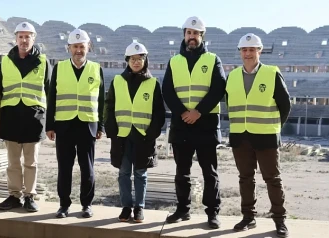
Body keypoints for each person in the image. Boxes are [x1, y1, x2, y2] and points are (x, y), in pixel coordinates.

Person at [162, 16, 226, 228]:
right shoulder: (174, 61)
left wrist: (198, 112)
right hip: (182, 125)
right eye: (189, 33)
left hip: (206, 123)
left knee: (210, 172)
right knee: (182, 172)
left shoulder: (213, 60)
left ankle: (212, 212)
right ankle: (183, 210)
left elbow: (218, 89)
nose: (192, 37)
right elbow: (168, 91)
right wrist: (183, 112)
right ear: (184, 35)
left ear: (202, 36)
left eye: (196, 33)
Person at [226, 33, 291, 237]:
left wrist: (274, 127)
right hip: (240, 137)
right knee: (245, 178)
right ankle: (248, 218)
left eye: (252, 49)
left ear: (259, 51)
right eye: (244, 50)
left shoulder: (272, 73)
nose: (248, 53)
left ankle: (279, 220)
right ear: (240, 52)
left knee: (272, 179)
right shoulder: (233, 76)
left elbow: (285, 104)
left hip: (266, 137)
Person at [46, 28, 105, 219]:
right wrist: (50, 125)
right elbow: (51, 97)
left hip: (88, 125)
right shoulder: (59, 68)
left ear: (88, 47)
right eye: (75, 46)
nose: (78, 50)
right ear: (68, 48)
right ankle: (64, 204)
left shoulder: (96, 69)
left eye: (82, 46)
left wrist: (101, 126)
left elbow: (102, 100)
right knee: (65, 167)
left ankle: (86, 204)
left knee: (87, 168)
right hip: (64, 124)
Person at [105, 42, 165, 223]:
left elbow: (158, 112)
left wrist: (151, 134)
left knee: (140, 173)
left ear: (145, 60)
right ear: (127, 61)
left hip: (143, 137)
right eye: (133, 59)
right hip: (122, 137)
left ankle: (139, 207)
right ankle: (126, 207)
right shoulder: (117, 81)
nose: (136, 62)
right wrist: (111, 131)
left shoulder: (153, 83)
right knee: (123, 173)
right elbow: (109, 107)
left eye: (140, 58)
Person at [0, 22, 51, 212]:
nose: (24, 40)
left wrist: (49, 122)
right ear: (15, 38)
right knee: (12, 162)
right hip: (11, 118)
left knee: (31, 162)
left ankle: (29, 196)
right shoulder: (5, 61)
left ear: (33, 39)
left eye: (28, 36)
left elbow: (50, 92)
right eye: (21, 36)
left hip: (33, 119)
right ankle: (13, 196)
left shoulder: (43, 62)